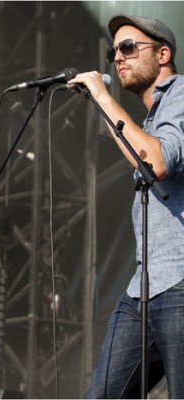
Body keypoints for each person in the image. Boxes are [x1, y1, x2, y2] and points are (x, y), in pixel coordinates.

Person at [68, 14, 184, 398]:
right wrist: (106, 105)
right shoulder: (151, 119)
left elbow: (158, 162)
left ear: (163, 53)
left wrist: (103, 96)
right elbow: (141, 155)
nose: (118, 57)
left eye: (129, 47)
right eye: (113, 50)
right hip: (144, 287)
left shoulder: (182, 94)